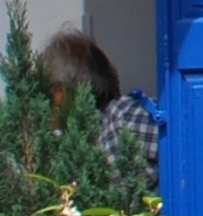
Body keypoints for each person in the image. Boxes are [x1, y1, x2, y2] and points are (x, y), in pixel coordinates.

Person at [39, 26, 160, 189]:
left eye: (41, 92)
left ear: (60, 92)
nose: (39, 104)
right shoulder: (74, 149)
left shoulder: (125, 116)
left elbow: (189, 143)